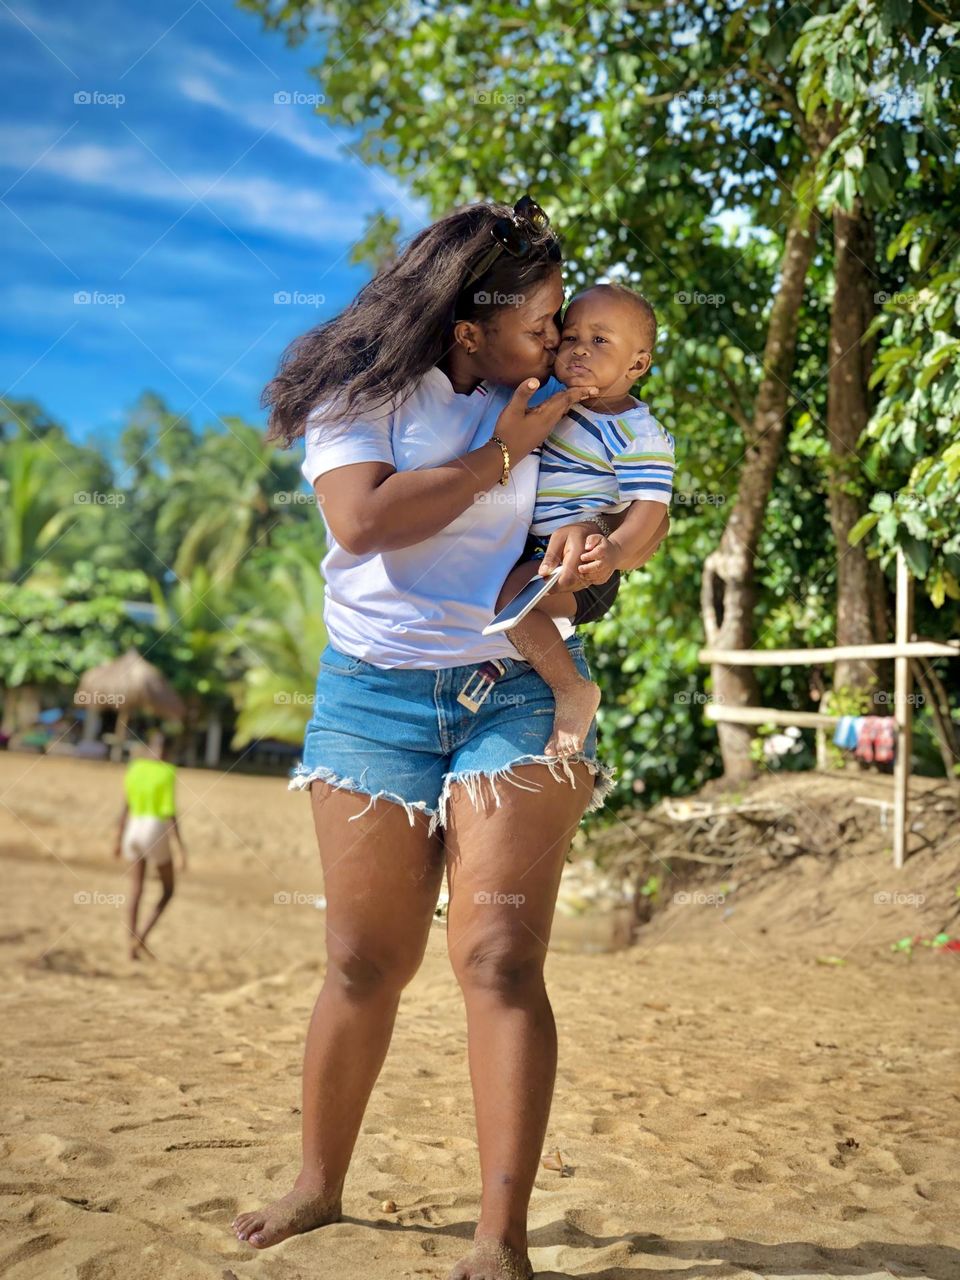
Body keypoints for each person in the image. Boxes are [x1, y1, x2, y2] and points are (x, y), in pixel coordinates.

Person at [231, 197, 669, 1280]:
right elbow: (364, 523)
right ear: (469, 328)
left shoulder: (557, 394)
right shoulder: (361, 393)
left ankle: (499, 1238)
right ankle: (318, 1183)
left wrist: (598, 551)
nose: (559, 344)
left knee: (500, 957)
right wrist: (502, 451)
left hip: (512, 686)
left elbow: (618, 498)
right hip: (372, 696)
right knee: (363, 959)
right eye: (542, 324)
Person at [493, 282, 675, 757]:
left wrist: (612, 552)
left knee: (511, 603)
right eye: (570, 337)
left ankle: (572, 689)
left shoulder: (637, 432)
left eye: (600, 341)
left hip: (586, 565)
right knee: (508, 603)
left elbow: (651, 507)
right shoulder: (561, 398)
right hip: (541, 548)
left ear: (637, 365)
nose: (579, 350)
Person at [113, 733, 187, 959]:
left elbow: (125, 806)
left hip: (132, 828)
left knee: (136, 889)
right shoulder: (168, 771)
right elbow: (169, 812)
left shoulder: (135, 767)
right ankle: (141, 938)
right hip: (154, 828)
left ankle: (131, 946)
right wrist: (181, 848)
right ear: (169, 751)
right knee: (168, 890)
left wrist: (117, 838)